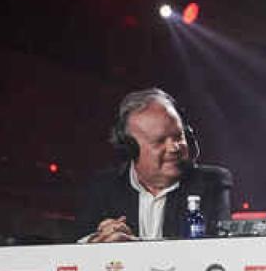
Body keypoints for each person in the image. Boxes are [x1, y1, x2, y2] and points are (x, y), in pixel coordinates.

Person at [76, 88, 232, 241]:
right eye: (159, 141)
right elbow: (74, 247)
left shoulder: (213, 183)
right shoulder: (103, 187)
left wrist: (133, 249)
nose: (174, 148)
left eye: (178, 136)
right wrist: (97, 241)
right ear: (130, 149)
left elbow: (215, 248)